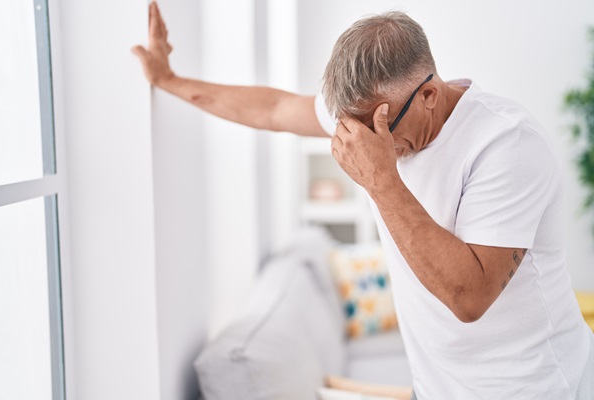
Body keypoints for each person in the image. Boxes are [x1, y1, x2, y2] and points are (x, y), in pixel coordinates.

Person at [132, 2, 594, 399]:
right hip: (438, 387)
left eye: (378, 131)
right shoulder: (374, 112)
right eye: (351, 130)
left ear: (429, 94)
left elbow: (468, 298)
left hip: (534, 387)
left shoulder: (507, 144)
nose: (365, 145)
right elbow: (272, 110)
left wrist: (381, 181)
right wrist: (169, 80)